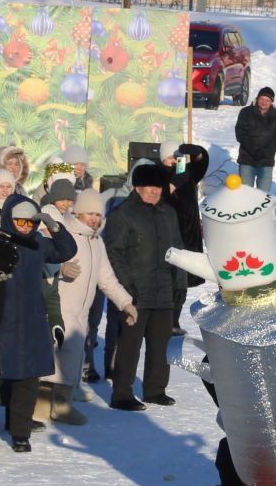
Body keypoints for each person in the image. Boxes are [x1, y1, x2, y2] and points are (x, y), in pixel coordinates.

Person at [0, 194, 75, 452]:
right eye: (20, 221)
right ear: (9, 219)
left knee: (27, 381)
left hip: (32, 321)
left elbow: (67, 250)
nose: (26, 226)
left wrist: (54, 226)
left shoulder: (39, 242)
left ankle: (20, 432)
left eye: (31, 222)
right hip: (1, 321)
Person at [44, 188, 134, 421]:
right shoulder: (66, 235)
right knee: (61, 356)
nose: (95, 219)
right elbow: (43, 263)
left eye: (98, 215)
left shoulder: (97, 243)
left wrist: (125, 302)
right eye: (90, 214)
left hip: (81, 312)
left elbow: (107, 279)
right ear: (79, 213)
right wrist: (61, 268)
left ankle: (59, 401)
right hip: (60, 308)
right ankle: (55, 407)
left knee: (73, 355)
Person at [103, 163, 186, 411]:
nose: (154, 191)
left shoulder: (168, 214)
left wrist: (179, 284)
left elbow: (178, 251)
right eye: (149, 186)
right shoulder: (123, 214)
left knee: (161, 344)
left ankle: (155, 389)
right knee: (129, 345)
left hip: (164, 291)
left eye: (158, 186)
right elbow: (113, 253)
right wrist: (126, 289)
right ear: (137, 187)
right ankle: (121, 393)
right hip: (135, 293)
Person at [234, 86, 276, 193]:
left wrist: (267, 152)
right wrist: (253, 149)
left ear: (271, 102)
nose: (264, 102)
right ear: (257, 98)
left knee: (263, 196)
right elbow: (240, 133)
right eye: (262, 99)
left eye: (267, 100)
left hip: (266, 161)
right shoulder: (246, 112)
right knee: (245, 193)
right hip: (247, 160)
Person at [164, 143, 211, 254]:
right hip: (169, 233)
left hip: (190, 234)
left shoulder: (187, 172)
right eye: (171, 158)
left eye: (177, 158)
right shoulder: (158, 173)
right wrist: (173, 184)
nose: (175, 161)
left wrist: (198, 152)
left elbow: (201, 162)